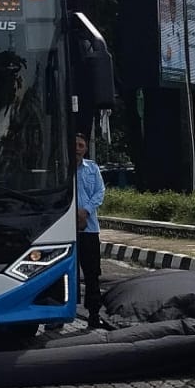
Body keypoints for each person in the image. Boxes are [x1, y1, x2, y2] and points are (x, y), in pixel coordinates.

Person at [74, 131, 106, 329]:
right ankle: (59, 315)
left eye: (81, 145)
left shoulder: (92, 169)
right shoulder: (60, 170)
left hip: (89, 229)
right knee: (63, 273)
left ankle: (94, 313)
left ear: (85, 148)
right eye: (75, 145)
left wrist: (85, 211)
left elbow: (100, 192)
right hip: (65, 230)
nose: (77, 149)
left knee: (92, 273)